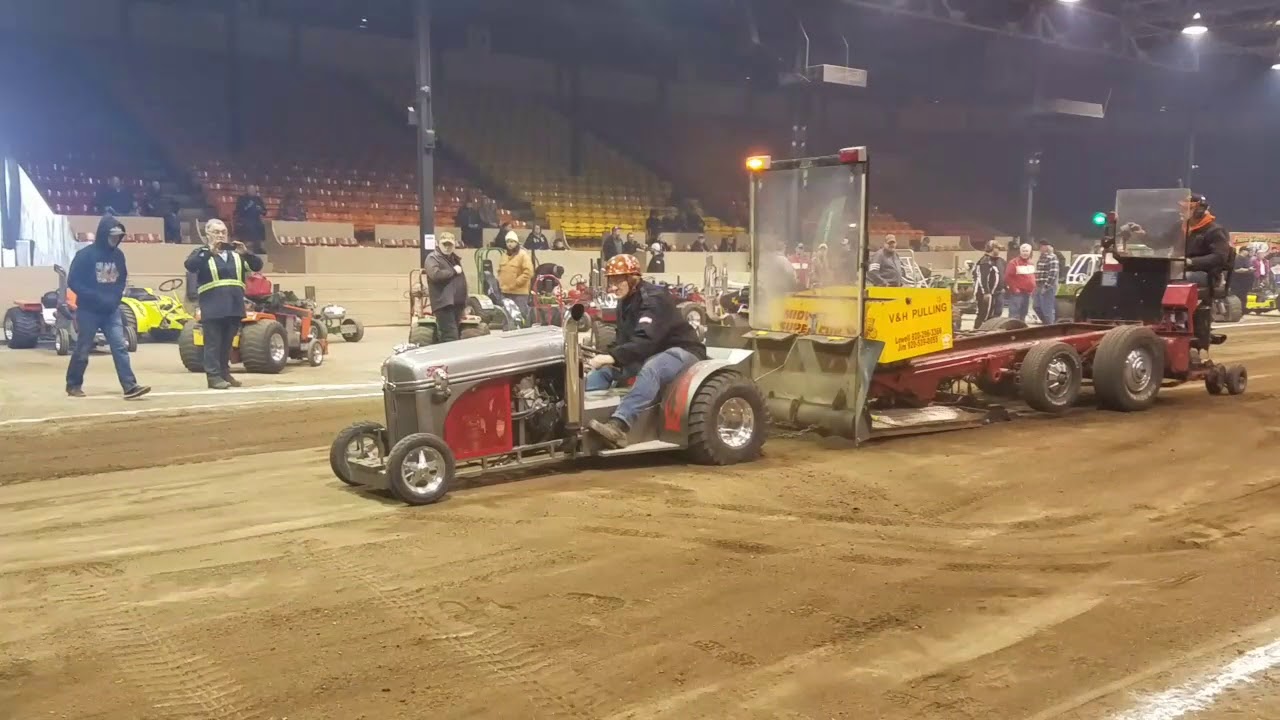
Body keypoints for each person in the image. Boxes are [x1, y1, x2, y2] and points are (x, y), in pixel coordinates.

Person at [584, 254, 708, 448]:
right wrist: (603, 358)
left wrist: (611, 356)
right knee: (605, 370)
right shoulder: (624, 302)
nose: (613, 287)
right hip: (653, 352)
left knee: (653, 368)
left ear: (632, 278)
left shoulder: (653, 300)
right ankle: (573, 409)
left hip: (682, 351)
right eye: (611, 282)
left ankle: (619, 426)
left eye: (618, 281)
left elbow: (645, 341)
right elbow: (623, 340)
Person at [65, 215, 151, 399]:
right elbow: (73, 281)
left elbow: (121, 280)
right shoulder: (85, 255)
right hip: (88, 311)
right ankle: (73, 384)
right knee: (83, 347)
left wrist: (115, 298)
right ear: (103, 235)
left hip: (111, 310)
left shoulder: (118, 256)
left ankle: (130, 386)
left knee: (119, 346)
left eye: (118, 236)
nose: (115, 240)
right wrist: (95, 296)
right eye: (112, 236)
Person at [184, 219, 264, 389]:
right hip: (213, 306)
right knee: (213, 343)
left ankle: (224, 373)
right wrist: (209, 252)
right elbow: (190, 266)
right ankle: (213, 377)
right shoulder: (201, 252)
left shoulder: (236, 254)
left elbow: (257, 266)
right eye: (216, 232)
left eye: (223, 232)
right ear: (208, 235)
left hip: (234, 306)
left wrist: (246, 253)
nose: (220, 235)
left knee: (227, 343)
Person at [424, 232, 468, 343]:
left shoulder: (454, 259)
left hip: (456, 304)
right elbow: (435, 275)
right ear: (439, 244)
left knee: (454, 334)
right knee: (450, 336)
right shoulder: (433, 258)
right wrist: (453, 271)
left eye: (450, 245)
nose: (447, 247)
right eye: (445, 244)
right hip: (443, 304)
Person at [498, 232, 533, 322]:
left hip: (519, 293)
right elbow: (500, 271)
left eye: (512, 241)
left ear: (517, 242)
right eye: (508, 242)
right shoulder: (504, 256)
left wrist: (516, 283)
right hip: (505, 292)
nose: (509, 244)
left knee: (520, 318)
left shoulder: (523, 255)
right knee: (506, 318)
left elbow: (528, 272)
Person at [973, 243, 1004, 326]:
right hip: (985, 294)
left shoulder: (997, 260)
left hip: (995, 293)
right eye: (997, 248)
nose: (999, 250)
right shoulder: (985, 261)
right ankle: (977, 331)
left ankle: (989, 329)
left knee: (994, 314)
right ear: (992, 249)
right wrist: (986, 292)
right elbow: (982, 278)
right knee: (983, 314)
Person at [1004, 243, 1036, 322]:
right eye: (1023, 251)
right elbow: (1007, 277)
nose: (1025, 253)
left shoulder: (1031, 263)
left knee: (1023, 313)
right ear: (1020, 251)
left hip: (1027, 293)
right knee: (1014, 314)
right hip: (1017, 294)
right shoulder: (1013, 263)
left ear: (1030, 252)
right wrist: (1014, 289)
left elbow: (1032, 276)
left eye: (1027, 251)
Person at [233, 185, 267, 254]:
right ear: (247, 190)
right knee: (251, 226)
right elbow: (239, 211)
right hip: (244, 219)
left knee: (261, 226)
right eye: (251, 190)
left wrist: (260, 209)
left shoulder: (258, 199)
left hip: (256, 219)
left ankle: (258, 247)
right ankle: (248, 246)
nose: (253, 191)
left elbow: (264, 212)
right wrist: (248, 206)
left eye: (254, 190)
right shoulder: (242, 199)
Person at [1034, 240, 1060, 324]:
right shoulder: (1041, 257)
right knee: (1036, 306)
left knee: (1047, 309)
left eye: (1041, 246)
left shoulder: (1052, 257)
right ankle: (1045, 323)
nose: (1040, 248)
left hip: (1048, 286)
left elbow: (1053, 273)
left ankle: (1050, 326)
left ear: (1046, 247)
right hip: (1038, 285)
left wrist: (1046, 287)